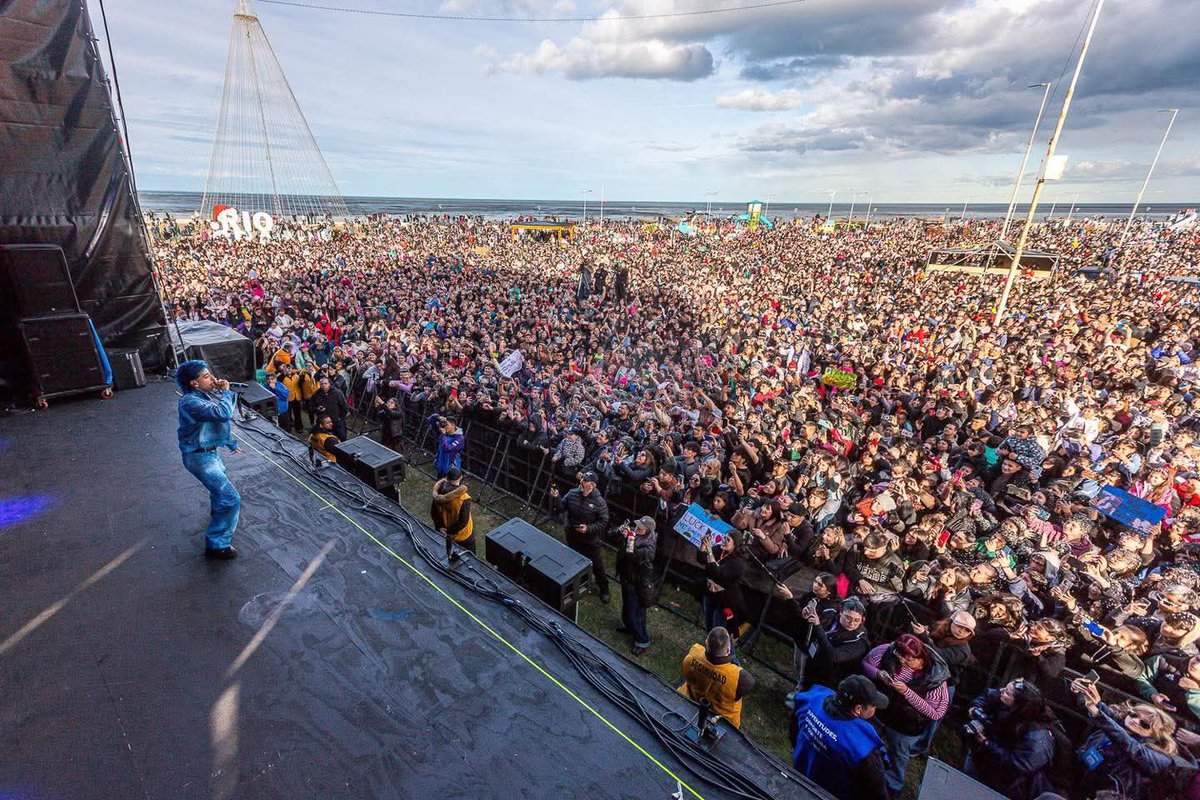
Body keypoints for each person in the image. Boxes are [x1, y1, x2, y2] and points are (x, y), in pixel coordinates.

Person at [1071, 677, 1197, 800]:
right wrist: (1080, 690)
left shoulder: (1154, 755)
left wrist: (1098, 713)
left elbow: (1130, 745)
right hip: (1079, 770)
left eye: (1144, 724)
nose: (1135, 721)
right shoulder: (1120, 723)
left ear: (1155, 735)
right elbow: (1108, 716)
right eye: (1134, 714)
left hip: (1105, 791)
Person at [861, 633, 950, 795]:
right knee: (867, 739)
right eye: (899, 656)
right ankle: (861, 768)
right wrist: (878, 674)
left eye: (908, 660)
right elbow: (867, 663)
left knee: (898, 754)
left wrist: (907, 693)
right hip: (881, 712)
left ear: (921, 658)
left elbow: (936, 713)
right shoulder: (887, 651)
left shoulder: (935, 679)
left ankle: (893, 786)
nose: (902, 661)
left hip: (905, 724)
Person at [175, 360, 241, 560]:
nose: (212, 378)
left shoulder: (201, 396)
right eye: (206, 376)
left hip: (209, 454)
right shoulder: (189, 402)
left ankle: (218, 518)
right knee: (231, 498)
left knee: (219, 493)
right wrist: (226, 392)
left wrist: (230, 443)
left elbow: (212, 426)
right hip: (200, 458)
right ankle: (217, 544)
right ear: (194, 383)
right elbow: (222, 414)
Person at [790, 675, 890, 800]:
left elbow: (794, 731)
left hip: (800, 776)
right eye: (873, 706)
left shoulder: (813, 698)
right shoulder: (862, 745)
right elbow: (875, 791)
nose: (875, 708)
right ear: (858, 708)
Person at [963, 680, 1061, 800]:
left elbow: (1017, 765)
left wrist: (986, 743)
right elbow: (989, 695)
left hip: (1010, 784)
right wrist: (976, 707)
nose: (1002, 691)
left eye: (1007, 692)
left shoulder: (1037, 737)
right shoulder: (1006, 701)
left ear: (1018, 703)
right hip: (983, 761)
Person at [678, 626, 755, 729]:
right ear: (728, 650)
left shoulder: (693, 654)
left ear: (706, 643)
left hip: (690, 703)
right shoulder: (742, 679)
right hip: (723, 723)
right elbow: (750, 684)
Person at [551, 471, 611, 602]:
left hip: (590, 540)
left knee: (597, 566)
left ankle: (605, 590)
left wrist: (588, 529)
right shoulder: (572, 493)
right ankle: (575, 586)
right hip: (572, 536)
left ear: (592, 485)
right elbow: (561, 508)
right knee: (573, 562)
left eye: (586, 481)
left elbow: (603, 521)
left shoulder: (599, 502)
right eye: (583, 479)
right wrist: (556, 497)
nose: (582, 482)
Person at [616, 515, 657, 655]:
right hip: (628, 578)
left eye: (641, 527)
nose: (637, 528)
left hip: (637, 583)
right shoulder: (638, 535)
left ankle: (642, 640)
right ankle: (629, 626)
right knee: (627, 608)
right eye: (638, 525)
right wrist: (625, 536)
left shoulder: (648, 546)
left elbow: (633, 556)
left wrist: (629, 540)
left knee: (636, 613)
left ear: (648, 530)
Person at [430, 467, 474, 563]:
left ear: (447, 477)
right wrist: (450, 532)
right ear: (460, 477)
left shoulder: (438, 493)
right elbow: (463, 522)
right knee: (470, 560)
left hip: (444, 532)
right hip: (462, 536)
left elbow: (433, 512)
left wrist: (439, 527)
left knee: (447, 557)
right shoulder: (464, 498)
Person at [308, 374, 349, 441]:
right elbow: (310, 407)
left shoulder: (337, 393)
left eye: (325, 383)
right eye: (321, 384)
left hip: (337, 421)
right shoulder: (316, 395)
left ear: (329, 384)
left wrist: (341, 417)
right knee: (327, 440)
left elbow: (344, 406)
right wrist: (317, 409)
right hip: (324, 424)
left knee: (342, 437)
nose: (323, 385)